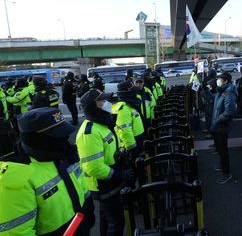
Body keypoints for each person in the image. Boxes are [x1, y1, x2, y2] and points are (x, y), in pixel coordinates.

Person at [0, 107, 95, 235]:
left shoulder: (64, 154)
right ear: (37, 139)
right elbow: (16, 232)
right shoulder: (15, 177)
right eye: (58, 135)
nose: (65, 138)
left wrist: (88, 214)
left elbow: (82, 187)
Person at [76, 89, 135, 236]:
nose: (107, 103)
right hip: (103, 184)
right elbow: (94, 168)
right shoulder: (89, 132)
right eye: (102, 101)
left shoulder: (102, 124)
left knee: (107, 221)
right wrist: (120, 175)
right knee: (116, 223)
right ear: (92, 106)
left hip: (111, 182)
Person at [210, 72, 237, 184]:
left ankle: (227, 173)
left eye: (220, 79)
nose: (218, 81)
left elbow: (229, 112)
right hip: (217, 125)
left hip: (221, 126)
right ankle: (223, 166)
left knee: (223, 150)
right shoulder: (221, 91)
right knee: (220, 150)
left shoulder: (229, 93)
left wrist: (219, 119)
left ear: (225, 81)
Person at [112, 80, 145, 157]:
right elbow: (125, 131)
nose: (135, 89)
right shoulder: (123, 108)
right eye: (132, 88)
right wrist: (133, 149)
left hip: (139, 141)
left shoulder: (130, 104)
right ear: (126, 92)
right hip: (134, 146)